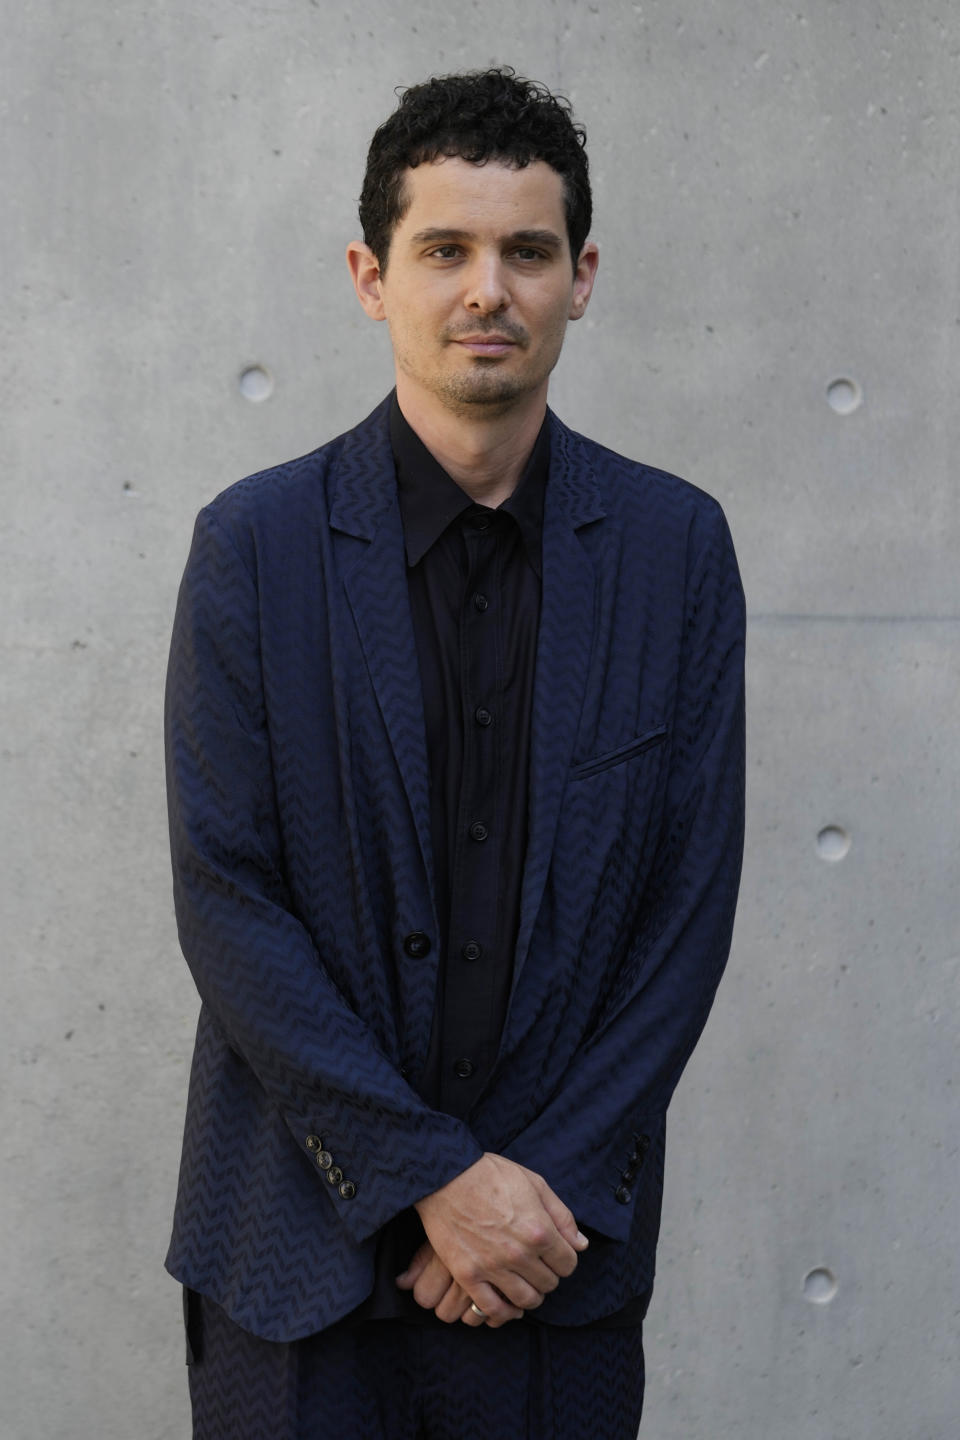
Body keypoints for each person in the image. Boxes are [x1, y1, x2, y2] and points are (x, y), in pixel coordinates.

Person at [164, 66, 746, 1440]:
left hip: (553, 1261)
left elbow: (685, 912)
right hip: (294, 1258)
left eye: (526, 251)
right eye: (445, 249)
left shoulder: (675, 552)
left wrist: (524, 1192)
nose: (487, 288)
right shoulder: (254, 547)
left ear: (581, 275)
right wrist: (435, 1177)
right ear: (374, 277)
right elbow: (227, 898)